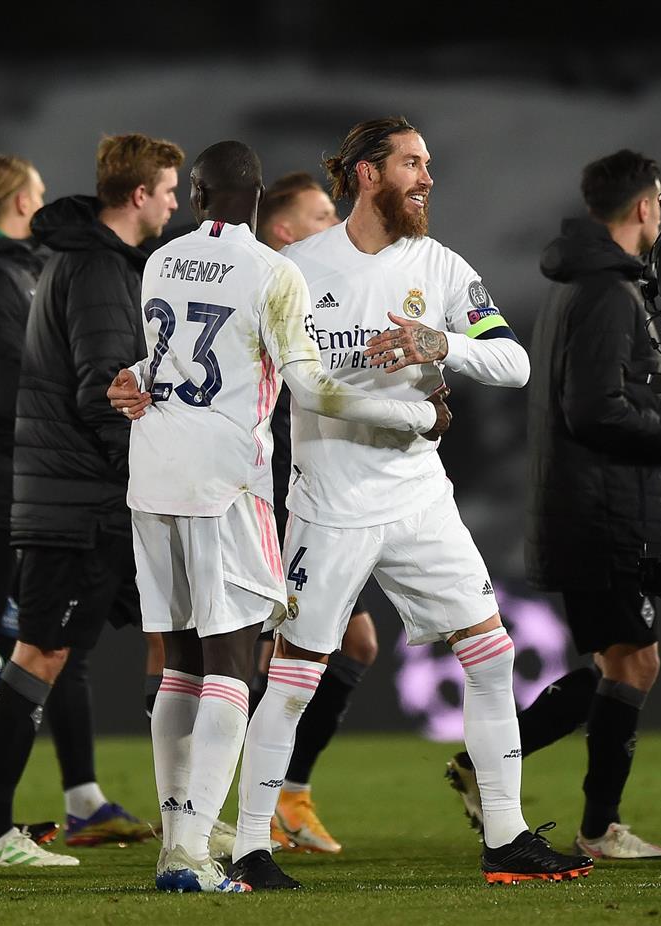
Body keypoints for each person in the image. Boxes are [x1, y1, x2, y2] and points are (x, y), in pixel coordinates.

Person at [224, 116, 593, 887]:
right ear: (366, 173)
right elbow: (232, 358)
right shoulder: (293, 268)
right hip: (328, 504)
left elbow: (514, 362)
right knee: (294, 677)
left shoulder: (444, 268)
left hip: (421, 496)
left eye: (428, 164)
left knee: (491, 655)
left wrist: (439, 344)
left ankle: (506, 837)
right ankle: (251, 846)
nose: (428, 178)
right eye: (413, 164)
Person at [108, 139, 445, 893]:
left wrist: (126, 382)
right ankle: (191, 852)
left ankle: (177, 835)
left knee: (181, 665)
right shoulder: (271, 271)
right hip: (225, 482)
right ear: (256, 197)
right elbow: (315, 391)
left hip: (152, 474)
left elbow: (157, 364)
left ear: (196, 196)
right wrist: (412, 413)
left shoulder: (161, 259)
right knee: (231, 668)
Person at [447, 150, 661, 861]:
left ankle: (485, 766)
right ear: (644, 207)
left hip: (584, 508)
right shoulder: (608, 292)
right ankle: (597, 829)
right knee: (635, 663)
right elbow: (595, 409)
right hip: (603, 511)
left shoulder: (576, 284)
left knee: (623, 663)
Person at [0, 132, 183, 867]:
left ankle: (185, 818)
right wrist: (156, 466)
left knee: (171, 635)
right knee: (42, 653)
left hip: (92, 502)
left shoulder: (102, 262)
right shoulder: (93, 269)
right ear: (140, 195)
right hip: (76, 505)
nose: (177, 202)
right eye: (170, 190)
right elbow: (104, 391)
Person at [255, 171, 376, 854]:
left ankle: (289, 795)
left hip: (325, 495)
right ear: (285, 231)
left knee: (352, 645)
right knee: (257, 653)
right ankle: (232, 805)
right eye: (322, 213)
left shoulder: (325, 288)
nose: (336, 223)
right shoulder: (270, 290)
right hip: (276, 498)